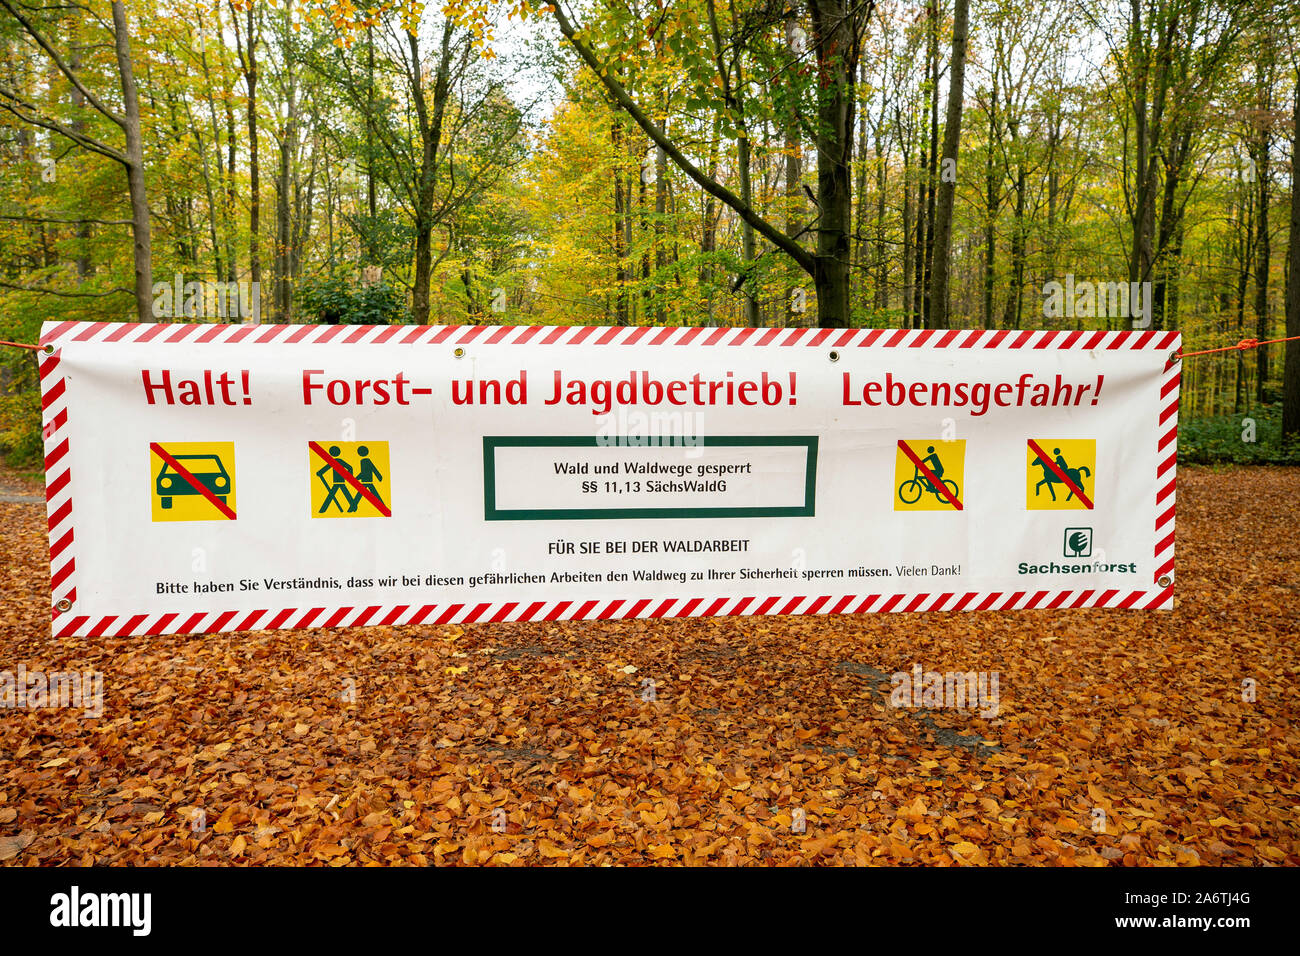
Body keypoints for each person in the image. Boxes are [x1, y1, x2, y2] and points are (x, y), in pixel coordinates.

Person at [317, 445, 357, 513]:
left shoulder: (334, 461)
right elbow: (350, 468)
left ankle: (323, 509)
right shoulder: (337, 461)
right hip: (339, 481)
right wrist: (349, 477)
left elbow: (325, 469)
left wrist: (320, 472)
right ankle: (354, 506)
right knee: (343, 494)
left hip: (338, 481)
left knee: (332, 495)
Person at [350, 446, 385, 512]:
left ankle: (352, 508)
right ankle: (352, 508)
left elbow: (366, 471)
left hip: (366, 481)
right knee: (362, 495)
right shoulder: (365, 461)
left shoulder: (364, 461)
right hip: (367, 481)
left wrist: (356, 478)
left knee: (359, 496)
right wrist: (379, 476)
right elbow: (371, 470)